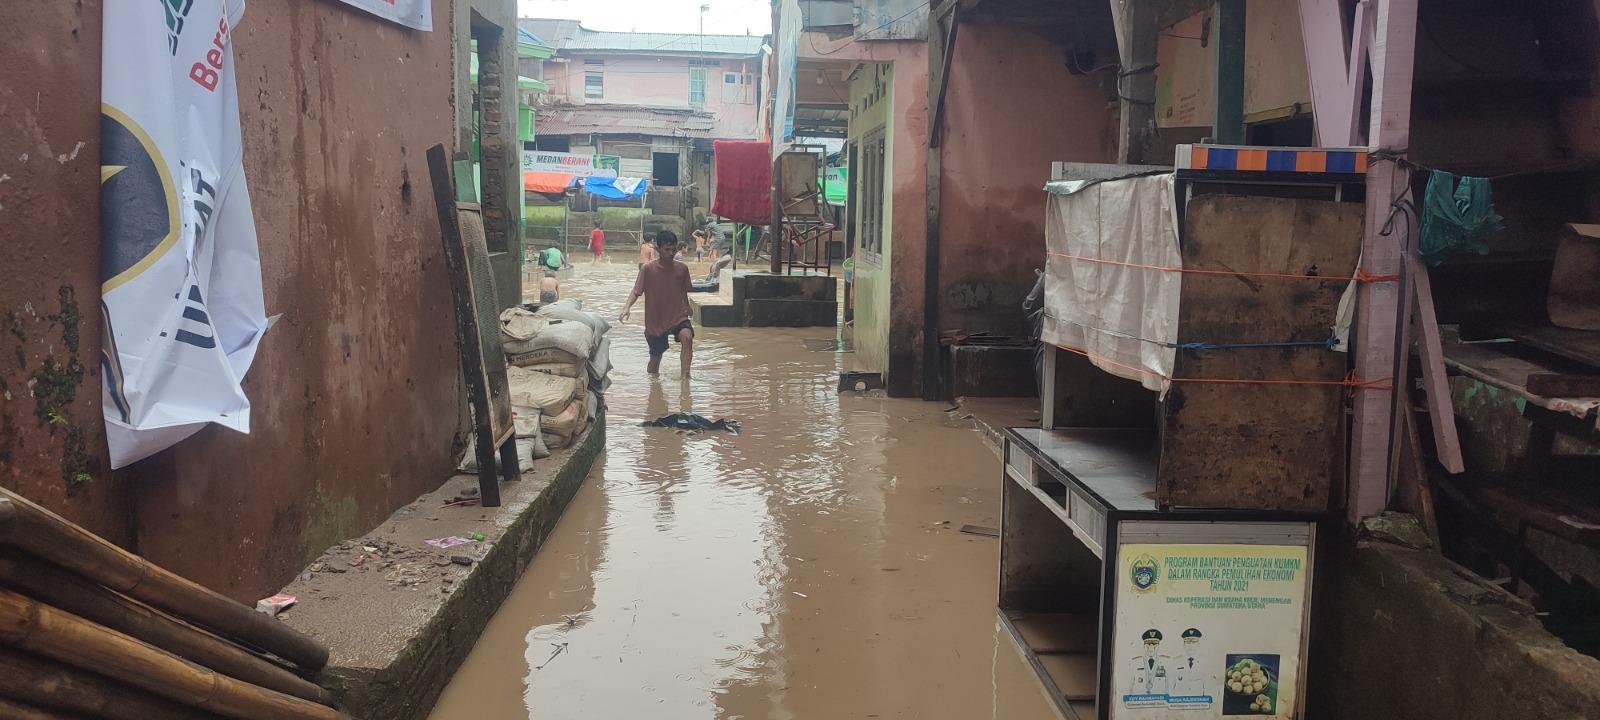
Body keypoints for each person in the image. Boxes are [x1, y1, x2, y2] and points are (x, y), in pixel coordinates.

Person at [620, 231, 694, 379]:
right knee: (655, 360)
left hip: (678, 315)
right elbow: (636, 291)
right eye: (667, 249)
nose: (671, 253)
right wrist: (626, 307)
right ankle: (653, 385)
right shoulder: (647, 269)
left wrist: (687, 306)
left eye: (673, 249)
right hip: (656, 320)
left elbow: (683, 290)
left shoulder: (682, 269)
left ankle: (686, 377)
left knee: (687, 337)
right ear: (657, 249)